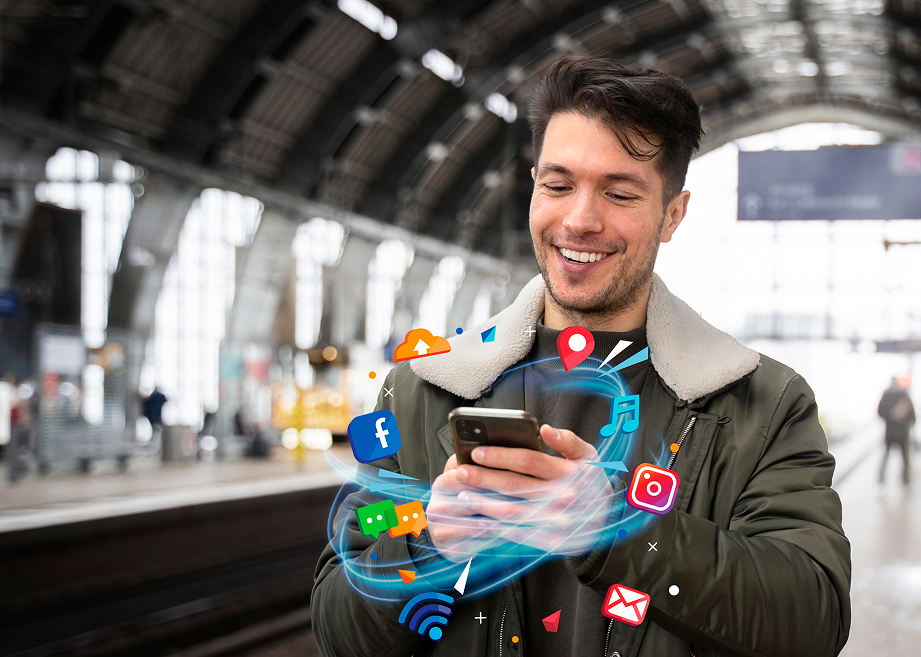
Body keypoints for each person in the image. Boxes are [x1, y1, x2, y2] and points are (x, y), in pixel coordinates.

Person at [310, 55, 851, 657]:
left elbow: (812, 620)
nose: (580, 219)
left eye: (620, 193)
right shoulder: (422, 390)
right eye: (558, 185)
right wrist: (423, 545)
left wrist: (615, 529)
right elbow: (337, 632)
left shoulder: (760, 403)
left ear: (673, 214)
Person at [877, 377, 915, 484]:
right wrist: (892, 415)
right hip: (891, 432)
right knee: (886, 456)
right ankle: (881, 480)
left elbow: (912, 415)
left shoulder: (904, 395)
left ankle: (906, 480)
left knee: (905, 458)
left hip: (902, 432)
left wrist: (903, 416)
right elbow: (880, 411)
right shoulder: (887, 395)